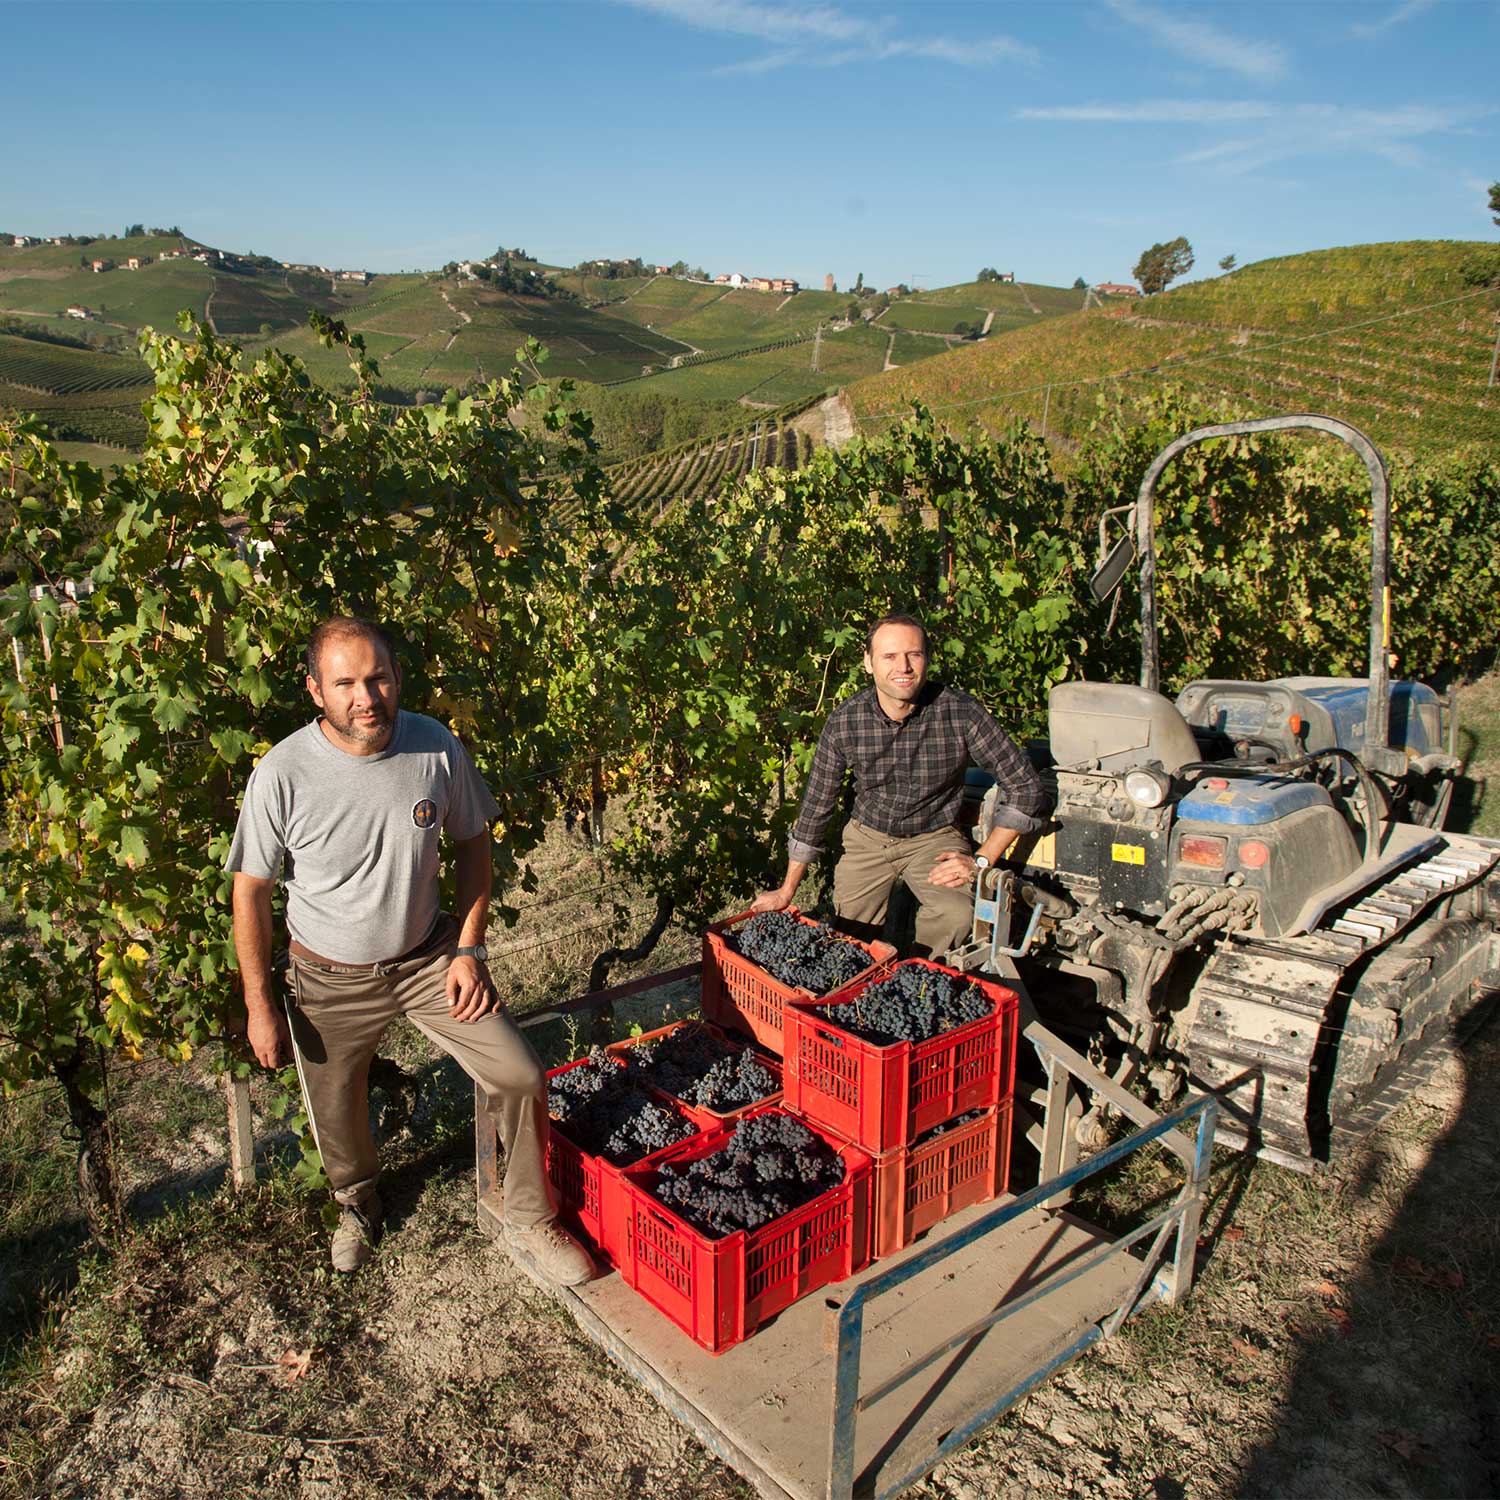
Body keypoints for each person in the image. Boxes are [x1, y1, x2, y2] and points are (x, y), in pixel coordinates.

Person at [227, 616, 592, 1283]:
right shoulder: (282, 774)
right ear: (315, 690)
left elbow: (474, 844)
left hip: (430, 959)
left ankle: (531, 1217)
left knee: (520, 1076)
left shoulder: (435, 748)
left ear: (398, 678)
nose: (365, 696)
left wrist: (469, 950)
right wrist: (259, 1005)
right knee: (338, 1109)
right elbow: (249, 895)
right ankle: (358, 1205)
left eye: (378, 677)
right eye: (346, 684)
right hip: (327, 980)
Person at [752, 613, 1048, 958]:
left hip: (934, 838)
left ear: (927, 659)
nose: (903, 667)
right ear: (869, 662)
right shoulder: (846, 722)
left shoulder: (960, 712)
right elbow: (817, 807)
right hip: (868, 837)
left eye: (914, 655)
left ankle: (915, 976)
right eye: (890, 656)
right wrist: (787, 890)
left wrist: (981, 860)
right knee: (849, 935)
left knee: (956, 916)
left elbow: (1026, 787)